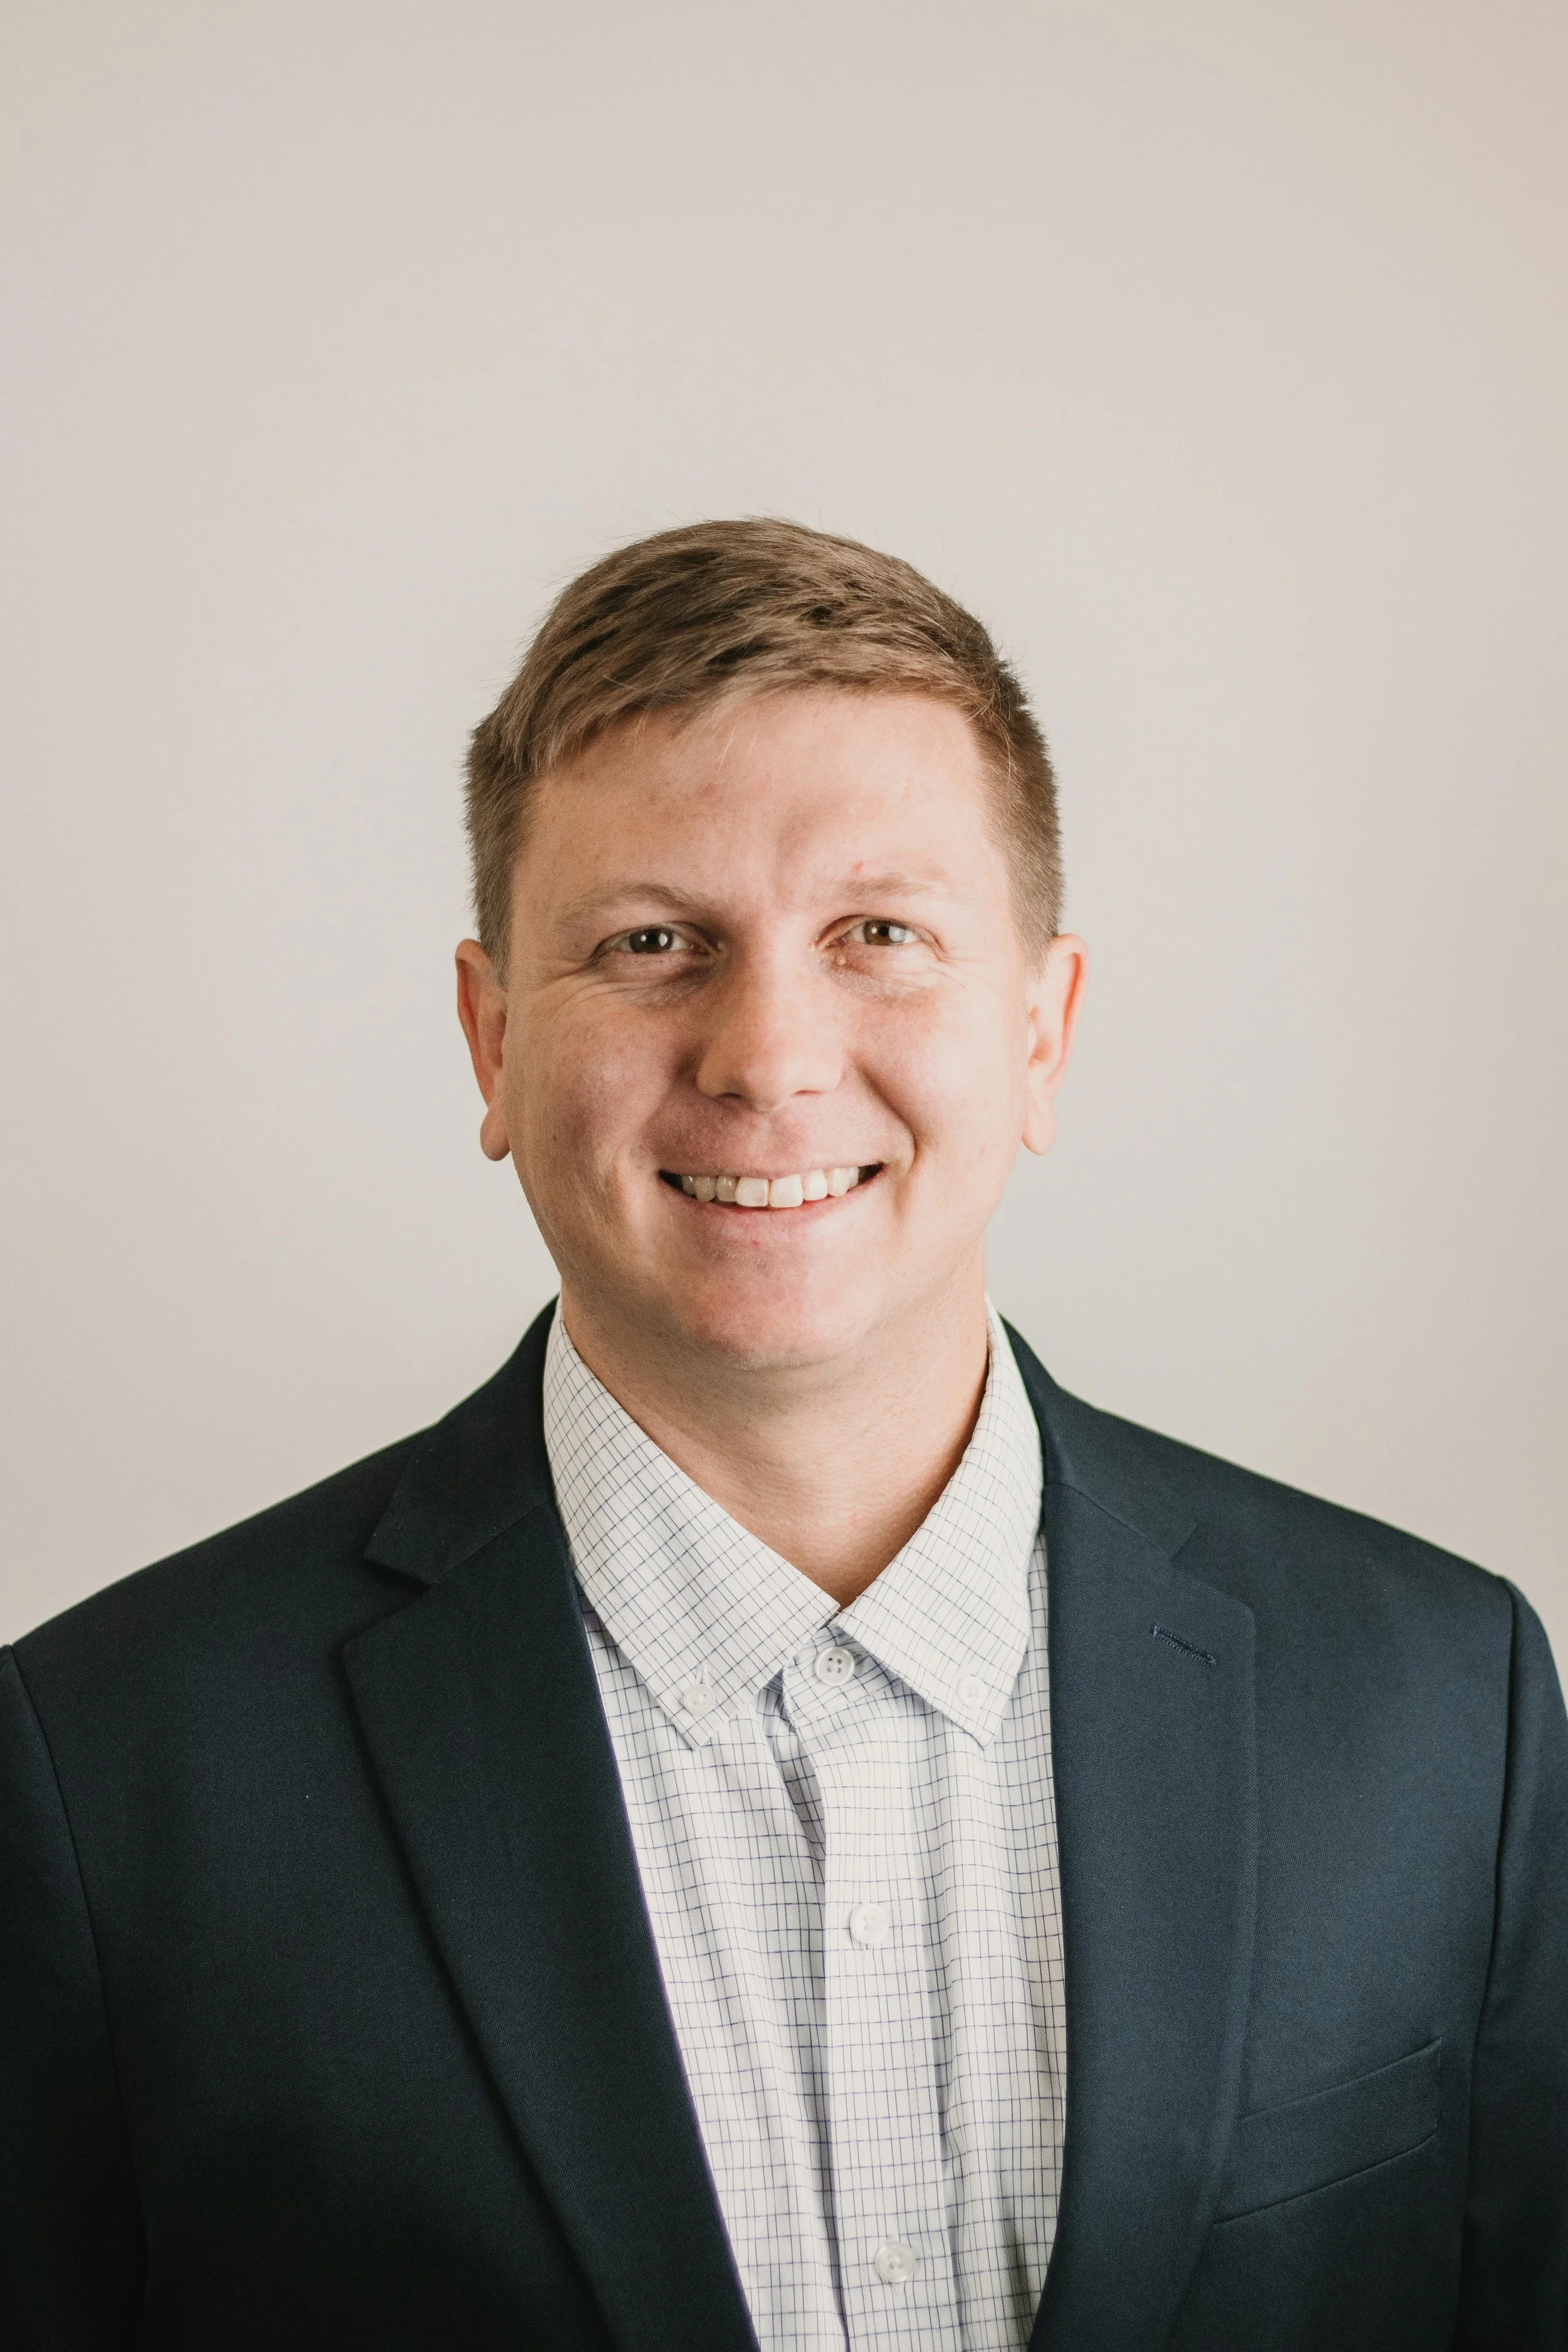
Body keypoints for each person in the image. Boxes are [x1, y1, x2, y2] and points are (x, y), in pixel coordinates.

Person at [2, 520, 1564, 2352]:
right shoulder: (101, 1783)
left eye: (877, 935)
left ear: (1042, 1031)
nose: (766, 1052)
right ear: (491, 1039)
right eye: (653, 941)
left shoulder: (1439, 1708)